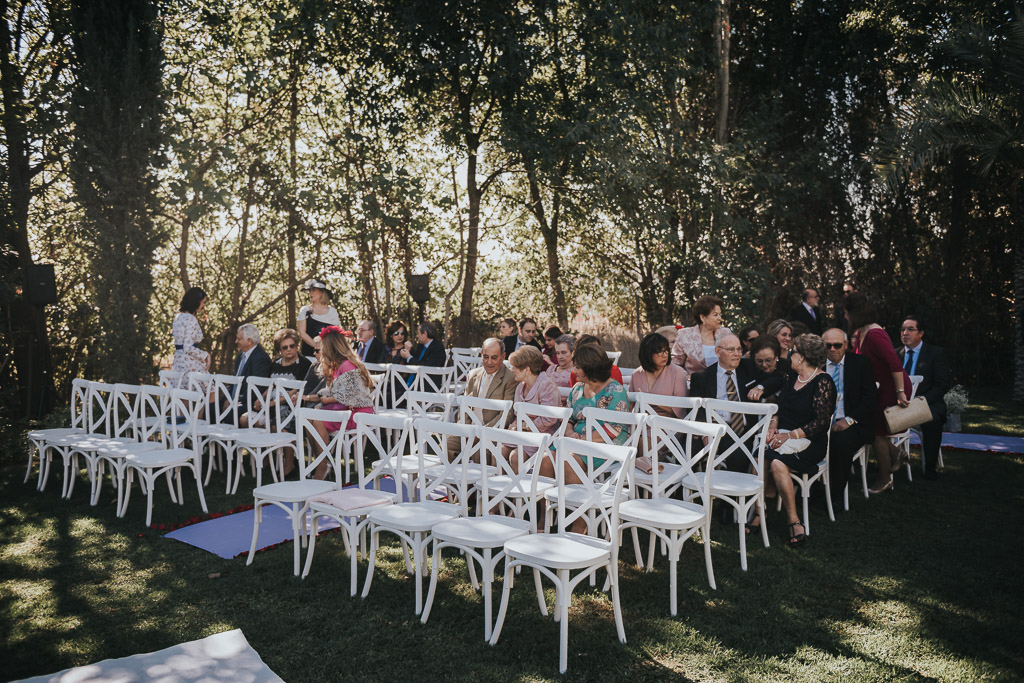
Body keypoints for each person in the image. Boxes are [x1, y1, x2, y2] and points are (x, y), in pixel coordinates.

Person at [750, 334, 837, 547]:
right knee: (758, 457)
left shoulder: (822, 382)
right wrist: (772, 427)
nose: (789, 355)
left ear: (803, 357)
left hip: (810, 441)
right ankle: (760, 512)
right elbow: (780, 409)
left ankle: (794, 521)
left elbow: (821, 424)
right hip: (783, 435)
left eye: (794, 351)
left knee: (779, 464)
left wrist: (789, 435)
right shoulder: (793, 378)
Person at [844, 293, 910, 493]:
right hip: (879, 387)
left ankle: (885, 479)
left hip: (893, 386)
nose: (845, 317)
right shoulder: (862, 333)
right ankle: (897, 454)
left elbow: (894, 363)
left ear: (854, 313)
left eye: (846, 313)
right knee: (873, 429)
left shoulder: (875, 333)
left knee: (876, 431)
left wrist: (900, 393)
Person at [308, 326, 375, 479]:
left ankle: (323, 465)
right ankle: (322, 459)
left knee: (317, 421)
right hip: (344, 409)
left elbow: (352, 396)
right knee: (308, 418)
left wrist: (326, 400)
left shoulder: (347, 366)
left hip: (358, 412)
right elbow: (338, 393)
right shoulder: (337, 366)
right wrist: (324, 399)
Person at [688, 334, 759, 471]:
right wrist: (705, 432)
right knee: (687, 448)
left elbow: (774, 378)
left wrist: (760, 387)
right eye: (731, 349)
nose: (737, 354)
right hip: (713, 428)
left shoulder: (749, 368)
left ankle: (732, 492)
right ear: (717, 352)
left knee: (739, 455)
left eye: (739, 349)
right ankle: (686, 491)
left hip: (741, 431)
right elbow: (696, 409)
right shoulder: (701, 377)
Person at [822, 328, 877, 500]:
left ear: (846, 345)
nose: (832, 349)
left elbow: (870, 398)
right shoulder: (816, 364)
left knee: (840, 442)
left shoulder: (860, 363)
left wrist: (849, 420)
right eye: (828, 345)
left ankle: (834, 497)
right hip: (821, 422)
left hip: (852, 422)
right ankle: (811, 488)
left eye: (837, 345)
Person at [898, 315, 952, 480]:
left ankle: (929, 468)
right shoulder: (895, 354)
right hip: (898, 404)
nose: (905, 333)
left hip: (927, 403)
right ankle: (889, 460)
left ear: (921, 333)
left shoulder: (935, 353)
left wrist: (919, 403)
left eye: (910, 329)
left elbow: (941, 385)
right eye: (902, 329)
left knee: (933, 420)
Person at [448, 338, 517, 458]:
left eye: (494, 358)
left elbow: (508, 414)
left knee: (479, 453)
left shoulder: (510, 378)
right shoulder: (473, 374)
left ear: (503, 356)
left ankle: (469, 474)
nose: (489, 362)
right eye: (486, 357)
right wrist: (465, 428)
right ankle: (457, 475)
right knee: (444, 446)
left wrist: (480, 433)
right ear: (481, 355)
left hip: (492, 432)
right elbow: (464, 407)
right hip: (468, 429)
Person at [238, 328, 311, 429]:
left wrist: (274, 402)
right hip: (270, 405)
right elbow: (271, 385)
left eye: (292, 346)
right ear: (279, 350)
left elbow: (297, 390)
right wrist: (261, 398)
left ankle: (271, 443)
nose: (289, 349)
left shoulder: (304, 364)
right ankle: (262, 444)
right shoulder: (275, 364)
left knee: (272, 426)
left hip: (289, 406)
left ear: (296, 346)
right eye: (285, 347)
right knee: (244, 419)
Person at [671, 295, 733, 379]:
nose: (720, 318)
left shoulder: (725, 333)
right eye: (715, 315)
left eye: (720, 314)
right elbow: (675, 363)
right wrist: (688, 377)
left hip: (723, 382)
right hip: (695, 384)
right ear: (702, 317)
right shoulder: (685, 335)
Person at [628, 332, 688, 417]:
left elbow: (680, 409)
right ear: (648, 354)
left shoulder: (677, 372)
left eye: (666, 350)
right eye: (659, 352)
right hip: (640, 423)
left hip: (668, 425)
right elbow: (630, 406)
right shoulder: (636, 374)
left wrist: (649, 399)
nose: (665, 355)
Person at [229, 323, 272, 420]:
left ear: (249, 341)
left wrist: (237, 402)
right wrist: (227, 399)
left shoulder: (261, 358)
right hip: (234, 401)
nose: (236, 341)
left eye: (239, 339)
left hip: (249, 403)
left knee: (231, 413)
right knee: (211, 408)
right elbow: (234, 380)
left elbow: (257, 388)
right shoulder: (240, 356)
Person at [171, 287, 210, 388]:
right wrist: (205, 355)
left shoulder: (178, 317)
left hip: (178, 363)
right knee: (211, 390)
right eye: (203, 302)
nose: (204, 305)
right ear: (196, 302)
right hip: (189, 363)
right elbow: (187, 347)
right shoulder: (191, 319)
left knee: (185, 398)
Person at [297, 278, 340, 357]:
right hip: (308, 353)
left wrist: (325, 349)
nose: (311, 293)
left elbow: (335, 335)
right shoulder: (305, 310)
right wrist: (316, 346)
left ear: (321, 292)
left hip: (328, 354)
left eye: (313, 290)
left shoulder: (333, 312)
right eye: (310, 290)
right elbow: (302, 333)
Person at [741, 336, 787, 402]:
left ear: (776, 357)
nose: (764, 365)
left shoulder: (787, 367)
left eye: (768, 360)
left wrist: (760, 387)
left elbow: (779, 379)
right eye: (759, 361)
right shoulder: (747, 368)